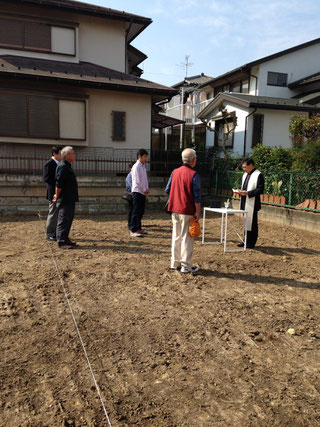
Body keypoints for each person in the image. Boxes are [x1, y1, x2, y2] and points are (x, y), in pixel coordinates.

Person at [165, 148, 201, 274]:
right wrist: (197, 211)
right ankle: (186, 265)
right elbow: (196, 195)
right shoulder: (193, 174)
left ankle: (175, 263)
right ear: (193, 160)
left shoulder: (174, 172)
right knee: (187, 237)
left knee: (176, 236)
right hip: (187, 210)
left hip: (175, 208)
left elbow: (167, 189)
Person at [53, 146, 79, 249]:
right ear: (67, 155)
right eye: (73, 153)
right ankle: (62, 241)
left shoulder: (67, 166)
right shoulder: (63, 166)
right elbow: (59, 183)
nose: (74, 155)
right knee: (63, 220)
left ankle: (66, 238)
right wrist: (57, 196)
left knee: (68, 219)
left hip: (69, 198)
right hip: (64, 198)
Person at [237, 157, 264, 249]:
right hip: (245, 201)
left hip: (253, 202)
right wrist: (240, 192)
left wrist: (248, 193)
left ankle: (251, 242)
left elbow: (260, 189)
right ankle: (245, 241)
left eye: (245, 167)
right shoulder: (245, 175)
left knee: (252, 222)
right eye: (243, 167)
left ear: (251, 165)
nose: (244, 169)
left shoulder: (258, 175)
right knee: (246, 221)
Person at [43, 146, 62, 241]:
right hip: (53, 193)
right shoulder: (49, 164)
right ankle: (50, 233)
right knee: (53, 213)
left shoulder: (59, 164)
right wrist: (56, 189)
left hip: (59, 192)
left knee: (57, 214)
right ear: (54, 154)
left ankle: (55, 233)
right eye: (60, 153)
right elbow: (47, 179)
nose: (62, 155)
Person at [129, 149, 149, 237]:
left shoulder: (143, 166)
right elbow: (137, 181)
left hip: (142, 192)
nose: (146, 159)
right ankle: (133, 229)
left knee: (140, 211)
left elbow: (145, 179)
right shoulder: (136, 166)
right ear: (139, 156)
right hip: (137, 191)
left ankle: (138, 228)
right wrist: (144, 189)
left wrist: (146, 188)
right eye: (144, 157)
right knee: (136, 211)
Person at [124, 162, 134, 229]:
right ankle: (130, 224)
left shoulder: (130, 175)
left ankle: (131, 223)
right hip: (131, 195)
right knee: (131, 210)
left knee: (132, 210)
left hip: (131, 194)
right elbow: (131, 186)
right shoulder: (130, 176)